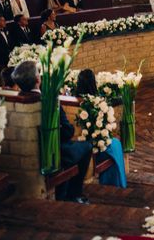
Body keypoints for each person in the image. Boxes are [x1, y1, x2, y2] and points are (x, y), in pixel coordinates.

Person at [13, 60, 92, 204]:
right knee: (86, 147)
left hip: (29, 157)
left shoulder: (15, 102)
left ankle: (64, 193)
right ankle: (74, 194)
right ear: (38, 79)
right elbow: (67, 132)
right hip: (55, 154)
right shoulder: (48, 100)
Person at [75, 69, 127, 188]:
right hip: (94, 147)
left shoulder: (71, 100)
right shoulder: (95, 103)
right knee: (116, 144)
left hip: (78, 145)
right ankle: (117, 185)